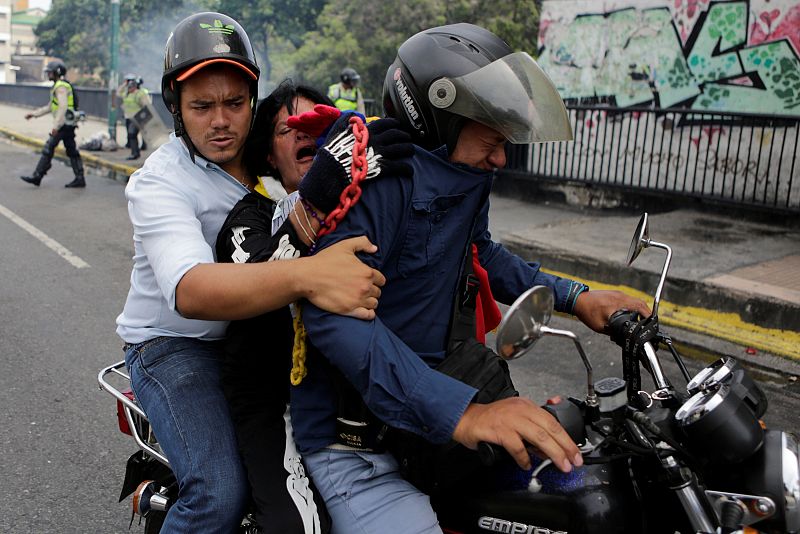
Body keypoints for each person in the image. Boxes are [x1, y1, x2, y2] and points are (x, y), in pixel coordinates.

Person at [285, 23, 653, 533]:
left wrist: (577, 297)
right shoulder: (379, 179)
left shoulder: (465, 176)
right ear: (441, 116)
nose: (501, 157)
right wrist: (465, 415)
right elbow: (337, 321)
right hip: (356, 440)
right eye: (493, 139)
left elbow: (481, 253)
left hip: (431, 407)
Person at [115, 12, 394, 532]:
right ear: (176, 108)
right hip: (179, 345)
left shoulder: (274, 160)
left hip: (268, 337)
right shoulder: (161, 182)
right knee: (219, 492)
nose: (221, 121)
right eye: (202, 106)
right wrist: (311, 275)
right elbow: (191, 290)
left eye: (235, 103)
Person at [20, 59, 86, 188]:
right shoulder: (60, 85)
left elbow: (62, 107)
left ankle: (37, 176)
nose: (48, 74)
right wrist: (34, 114)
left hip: (63, 124)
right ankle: (80, 178)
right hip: (67, 123)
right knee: (71, 150)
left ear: (57, 72)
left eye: (50, 72)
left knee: (48, 148)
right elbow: (51, 106)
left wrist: (56, 127)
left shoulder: (60, 86)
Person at [117, 73, 152, 160]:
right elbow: (118, 93)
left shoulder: (140, 94)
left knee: (134, 134)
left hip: (138, 117)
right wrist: (124, 84)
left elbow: (147, 105)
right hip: (129, 117)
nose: (129, 88)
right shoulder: (127, 94)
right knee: (132, 135)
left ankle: (137, 152)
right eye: (128, 86)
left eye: (131, 86)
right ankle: (135, 153)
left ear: (135, 86)